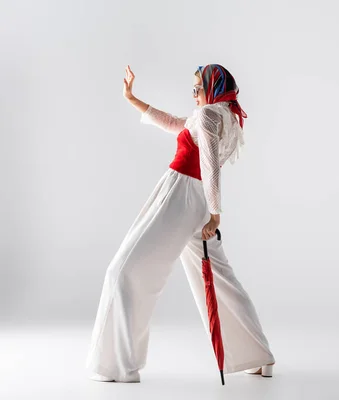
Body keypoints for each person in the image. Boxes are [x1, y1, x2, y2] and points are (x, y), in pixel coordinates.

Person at [85, 64, 276, 383]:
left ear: (212, 89)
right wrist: (134, 100)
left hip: (181, 195)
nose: (194, 95)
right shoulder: (223, 117)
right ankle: (259, 356)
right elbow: (176, 124)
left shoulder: (206, 116)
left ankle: (120, 366)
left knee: (123, 270)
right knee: (221, 280)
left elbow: (211, 165)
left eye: (197, 89)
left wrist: (216, 215)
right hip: (197, 202)